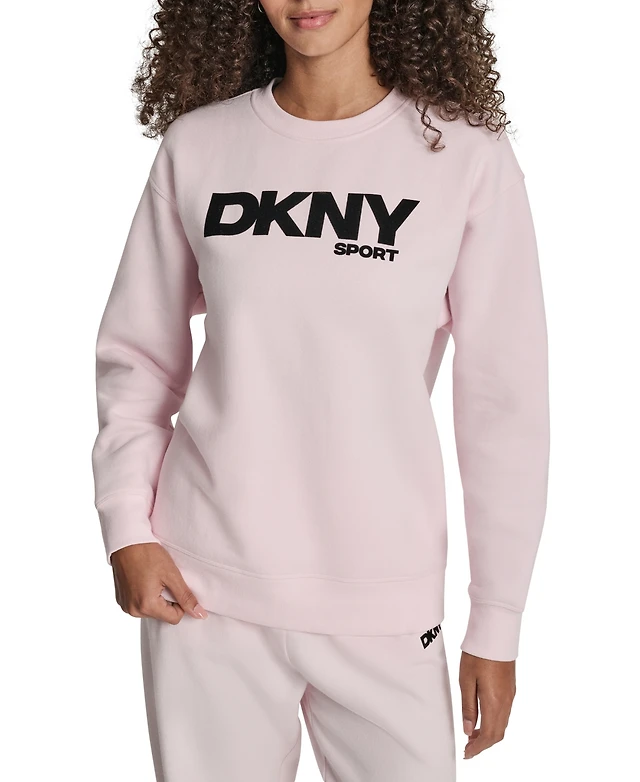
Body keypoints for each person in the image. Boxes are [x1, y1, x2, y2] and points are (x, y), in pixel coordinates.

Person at [91, 1, 550, 780]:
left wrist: (496, 623)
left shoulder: (464, 156)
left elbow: (505, 405)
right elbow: (138, 359)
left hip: (381, 598)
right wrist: (127, 529)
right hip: (203, 592)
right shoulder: (200, 146)